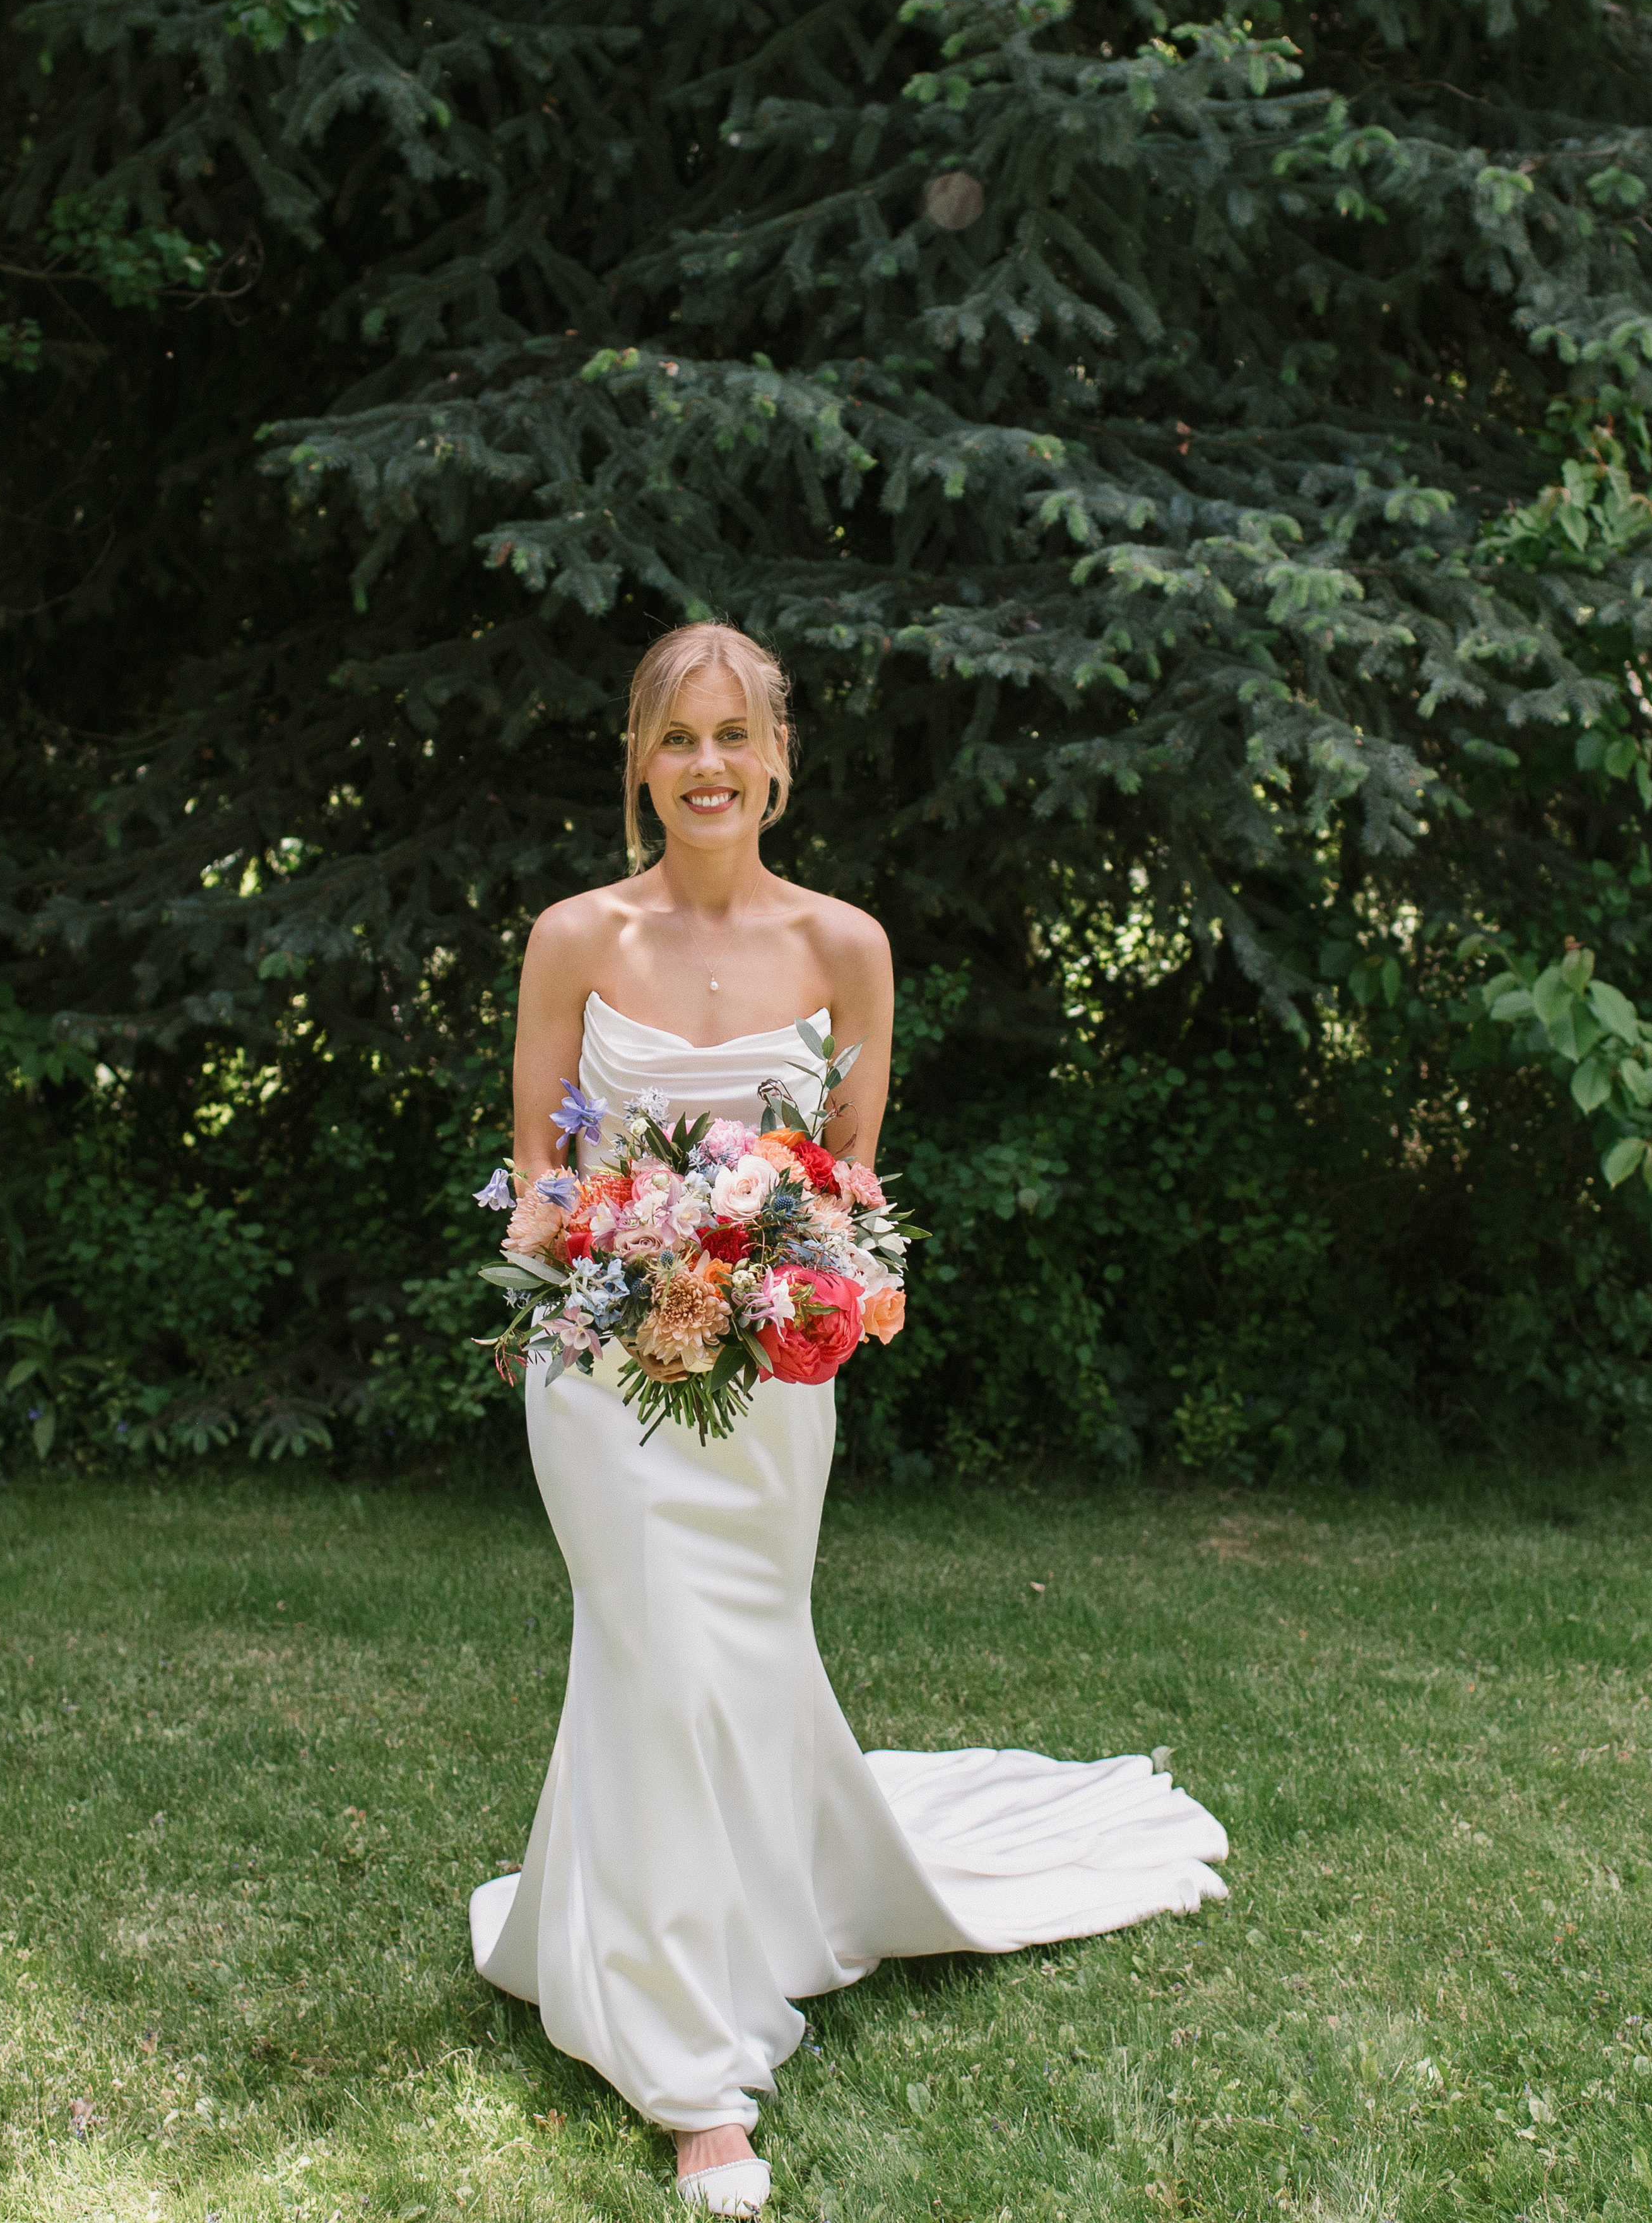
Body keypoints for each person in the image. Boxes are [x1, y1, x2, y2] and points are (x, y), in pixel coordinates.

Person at [468, 622, 1230, 2215]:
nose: (708, 767)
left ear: (781, 761)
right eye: (677, 739)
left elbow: (848, 1186)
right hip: (601, 1379)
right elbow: (540, 1170)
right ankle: (694, 2079)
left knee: (720, 1665)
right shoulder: (572, 936)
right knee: (657, 1648)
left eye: (735, 735)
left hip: (763, 1392)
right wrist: (588, 1261)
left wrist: (781, 1278)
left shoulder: (847, 948)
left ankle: (652, 1921)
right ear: (638, 764)